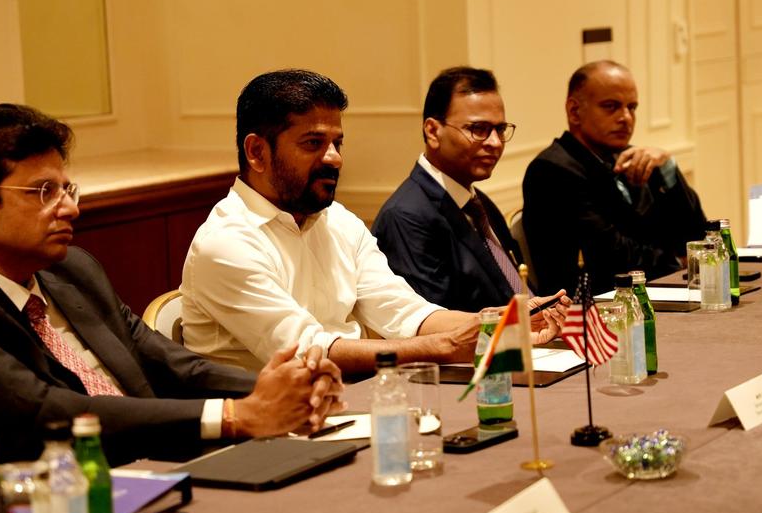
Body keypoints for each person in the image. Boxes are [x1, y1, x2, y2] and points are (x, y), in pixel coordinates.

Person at [0, 104, 342, 506]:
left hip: (147, 482)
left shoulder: (72, 270)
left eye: (66, 189)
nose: (70, 208)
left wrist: (287, 386)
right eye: (43, 192)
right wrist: (237, 417)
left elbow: (171, 364)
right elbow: (45, 413)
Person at [178, 69, 565, 374]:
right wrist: (449, 346)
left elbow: (403, 312)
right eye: (313, 143)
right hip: (262, 433)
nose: (334, 158)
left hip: (349, 402)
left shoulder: (338, 222)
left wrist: (501, 326)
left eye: (338, 143)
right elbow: (307, 348)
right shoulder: (226, 243)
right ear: (257, 152)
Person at [522, 61, 707, 296]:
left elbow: (696, 236)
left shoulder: (631, 158)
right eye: (611, 107)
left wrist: (669, 169)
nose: (626, 118)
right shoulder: (552, 170)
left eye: (632, 107)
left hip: (652, 293)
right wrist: (680, 262)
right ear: (574, 111)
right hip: (594, 308)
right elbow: (611, 255)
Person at [373, 66, 543, 310]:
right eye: (478, 129)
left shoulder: (478, 202)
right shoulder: (405, 217)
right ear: (433, 131)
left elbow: (514, 287)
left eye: (500, 129)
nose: (495, 143)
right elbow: (438, 328)